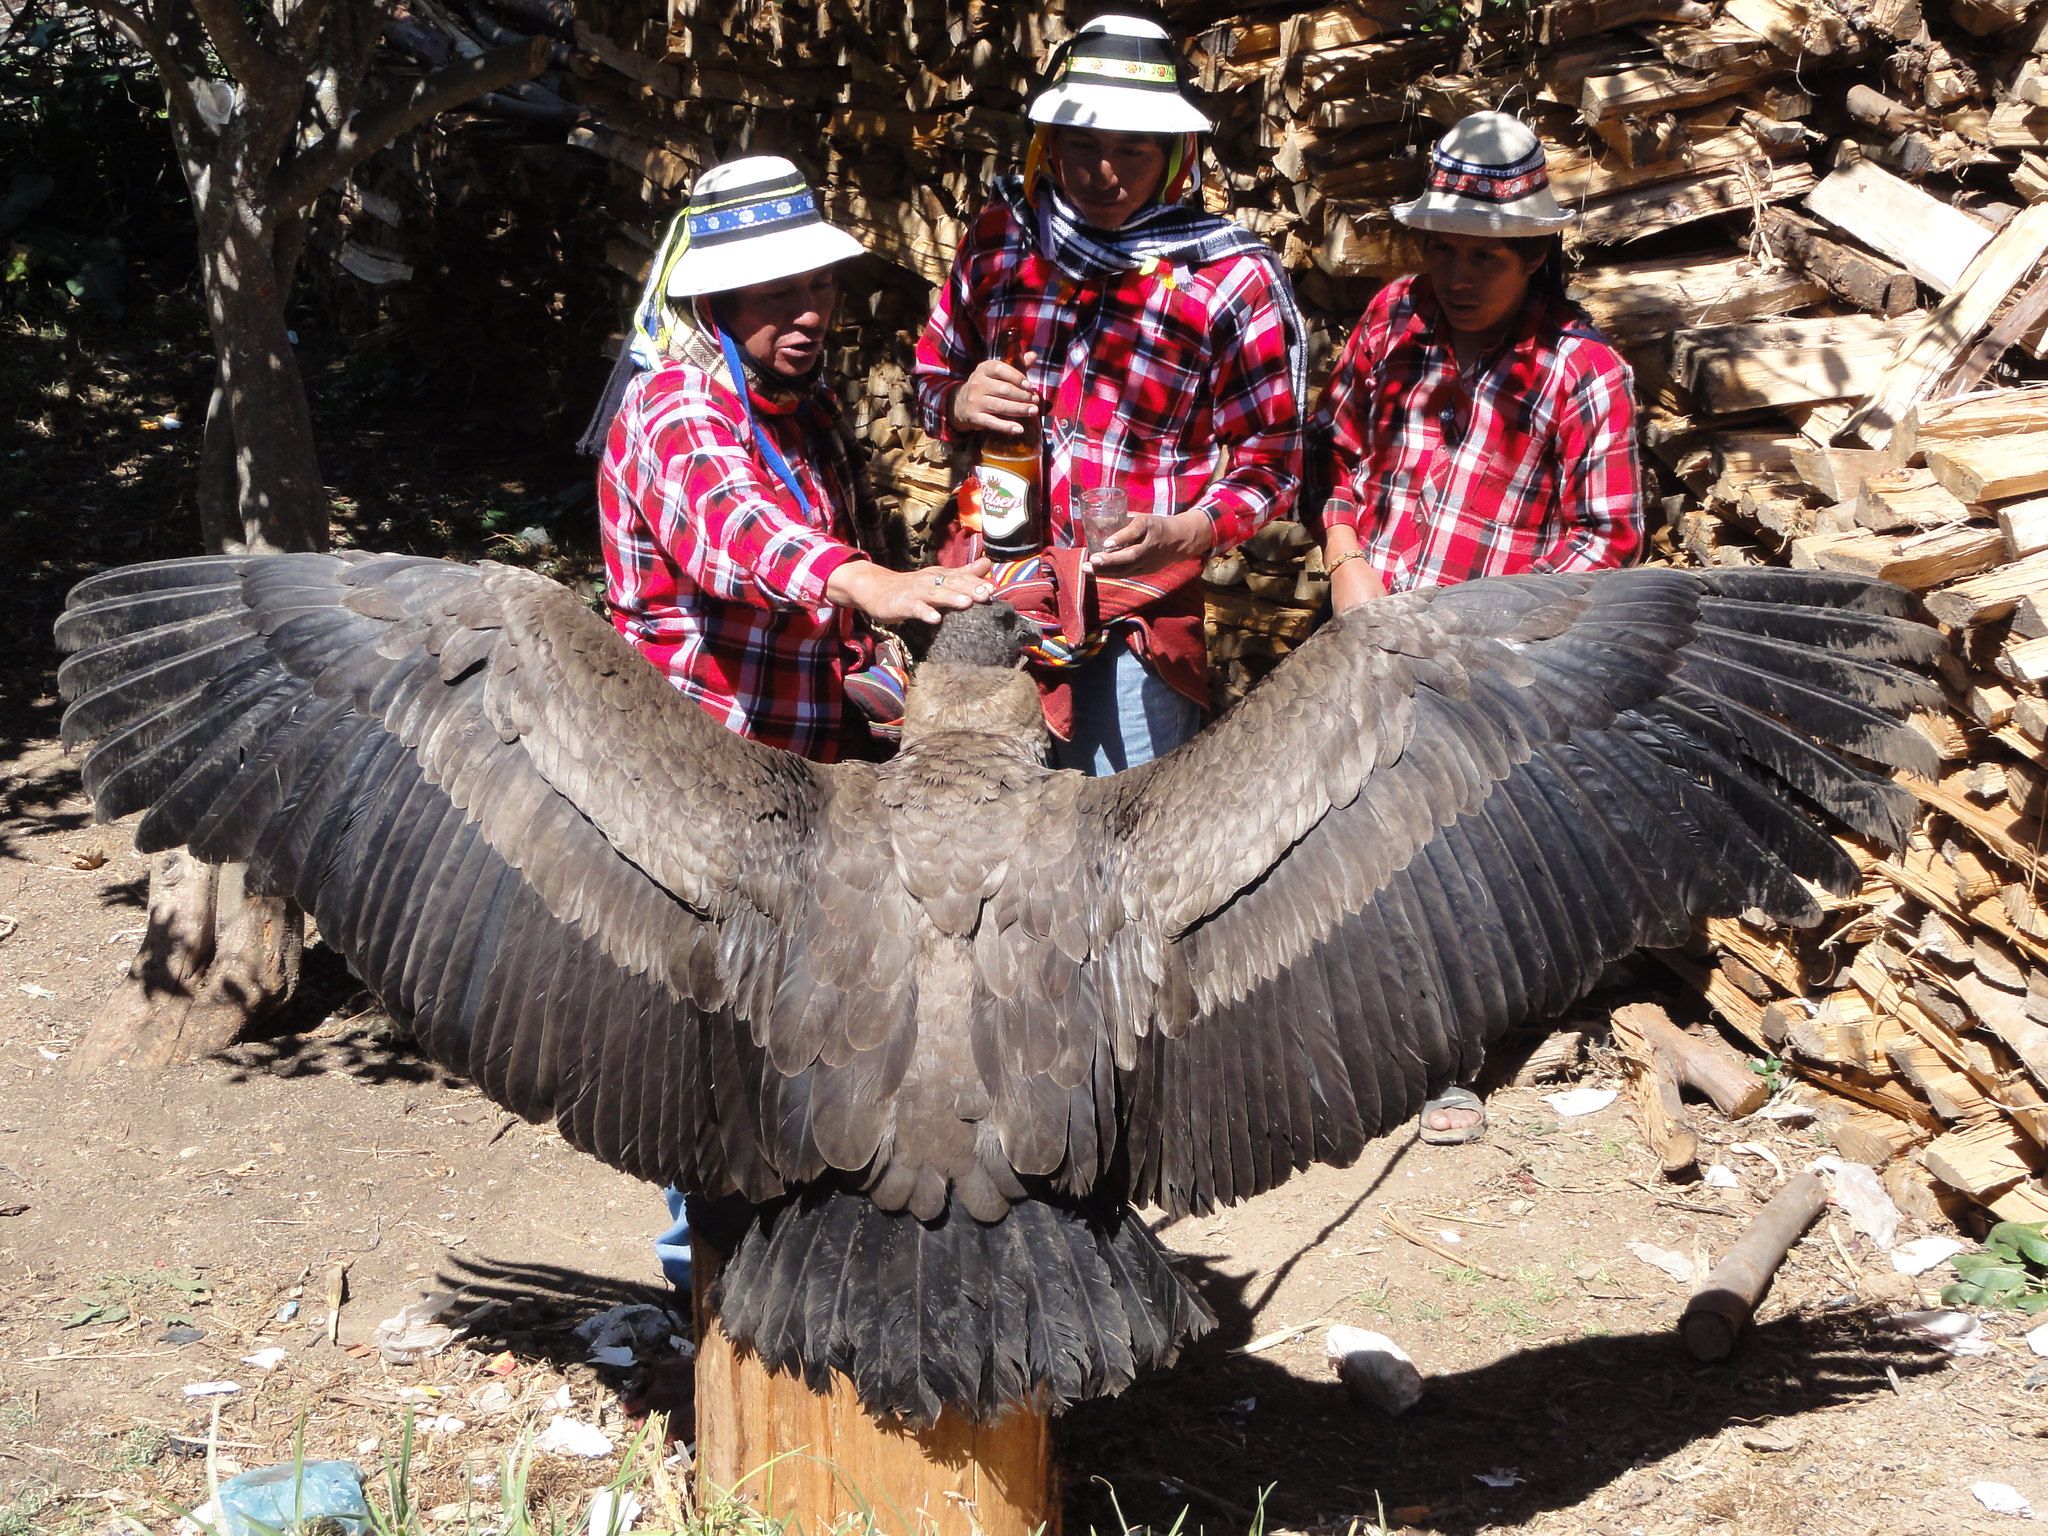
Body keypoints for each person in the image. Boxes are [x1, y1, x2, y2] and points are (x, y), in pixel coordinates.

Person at [594, 155, 995, 1288]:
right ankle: (706, 1289)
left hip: (802, 774)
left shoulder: (797, 404)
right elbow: (732, 533)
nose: (804, 314)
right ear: (714, 303)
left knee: (802, 1025)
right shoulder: (675, 405)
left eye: (812, 289)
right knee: (711, 1037)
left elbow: (825, 543)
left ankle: (799, 1266)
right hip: (703, 781)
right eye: (771, 298)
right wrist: (862, 581)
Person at [1314, 111, 1645, 1143]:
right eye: (1443, 250)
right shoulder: (1390, 325)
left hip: (1498, 662)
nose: (1458, 276)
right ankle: (1358, 1036)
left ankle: (1443, 1059)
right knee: (1357, 838)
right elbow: (1344, 460)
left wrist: (1502, 638)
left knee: (1460, 860)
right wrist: (1344, 558)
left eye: (1486, 258)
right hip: (1377, 626)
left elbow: (1609, 541)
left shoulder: (1579, 373)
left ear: (1534, 255)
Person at [914, 13, 1307, 774]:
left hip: (1137, 617)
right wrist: (958, 402)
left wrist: (1184, 533)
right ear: (1050, 146)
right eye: (1084, 146)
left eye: (1133, 149)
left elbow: (1274, 460)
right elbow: (932, 371)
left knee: (1116, 847)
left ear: (1174, 155)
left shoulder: (1232, 281)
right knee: (979, 823)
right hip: (989, 598)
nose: (1104, 173)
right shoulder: (1002, 240)